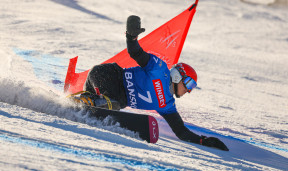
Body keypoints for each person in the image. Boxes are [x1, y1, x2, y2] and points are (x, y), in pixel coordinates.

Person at [72, 15, 229, 151]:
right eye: (189, 84)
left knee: (113, 103)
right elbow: (135, 52)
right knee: (113, 103)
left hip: (113, 98)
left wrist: (202, 140)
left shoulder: (167, 105)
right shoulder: (159, 69)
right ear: (177, 76)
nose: (189, 90)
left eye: (192, 87)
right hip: (107, 76)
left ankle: (78, 103)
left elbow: (180, 131)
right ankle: (83, 103)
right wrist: (131, 37)